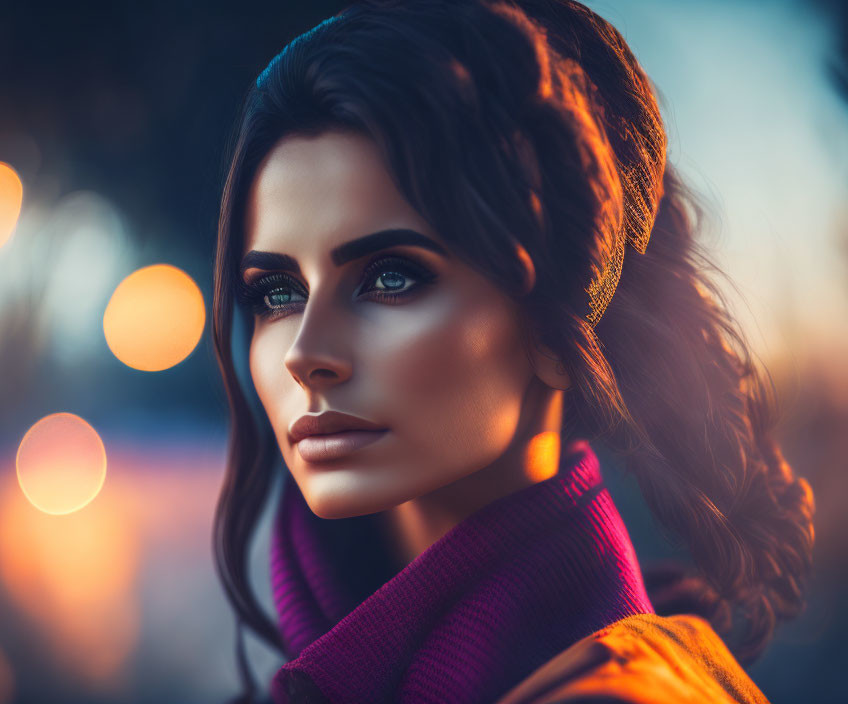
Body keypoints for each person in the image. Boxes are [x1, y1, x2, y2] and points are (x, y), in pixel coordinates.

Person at [210, 1, 816, 702]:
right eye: (277, 293)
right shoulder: (337, 651)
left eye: (391, 277)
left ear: (560, 329)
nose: (304, 353)